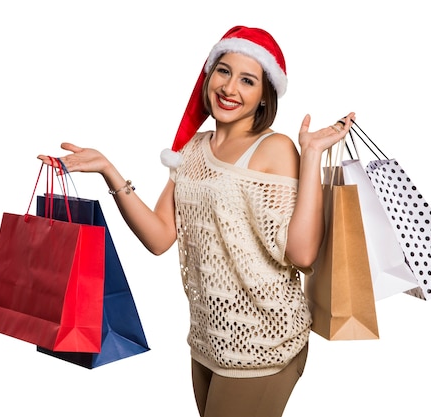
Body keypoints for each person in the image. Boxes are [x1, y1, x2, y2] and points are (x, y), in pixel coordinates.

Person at [38, 25, 355, 417]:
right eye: (223, 71)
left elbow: (304, 254)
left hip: (264, 342)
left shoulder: (274, 148)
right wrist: (109, 170)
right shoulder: (192, 149)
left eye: (247, 80)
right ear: (208, 77)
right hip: (207, 341)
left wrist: (310, 156)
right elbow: (159, 237)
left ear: (263, 96)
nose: (230, 88)